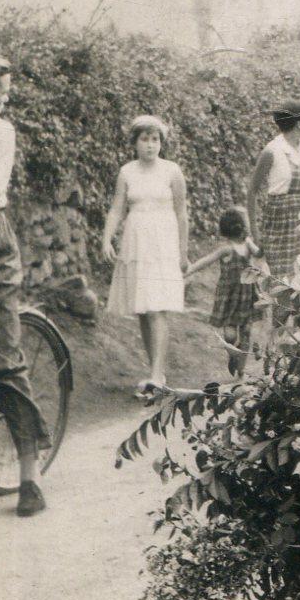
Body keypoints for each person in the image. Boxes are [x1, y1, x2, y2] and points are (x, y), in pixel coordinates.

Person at [0, 53, 51, 517]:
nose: (6, 100)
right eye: (3, 92)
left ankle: (30, 476)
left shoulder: (2, 133)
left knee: (4, 359)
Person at [102, 116, 188, 399]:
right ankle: (156, 373)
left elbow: (181, 213)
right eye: (145, 139)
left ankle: (157, 377)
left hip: (163, 244)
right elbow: (117, 209)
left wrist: (183, 252)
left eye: (155, 139)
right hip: (136, 243)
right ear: (135, 143)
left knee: (157, 308)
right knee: (142, 308)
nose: (150, 145)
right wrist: (106, 238)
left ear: (161, 143)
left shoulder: (172, 171)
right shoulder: (127, 172)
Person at [184, 206, 268, 377]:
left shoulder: (248, 243)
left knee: (246, 331)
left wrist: (265, 240)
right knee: (230, 335)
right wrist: (188, 271)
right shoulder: (227, 248)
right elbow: (207, 260)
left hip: (247, 294)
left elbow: (259, 254)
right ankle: (233, 355)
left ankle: (241, 371)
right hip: (230, 297)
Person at [246, 100, 300, 296]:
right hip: (278, 223)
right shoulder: (272, 151)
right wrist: (255, 233)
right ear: (299, 124)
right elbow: (252, 190)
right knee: (280, 284)